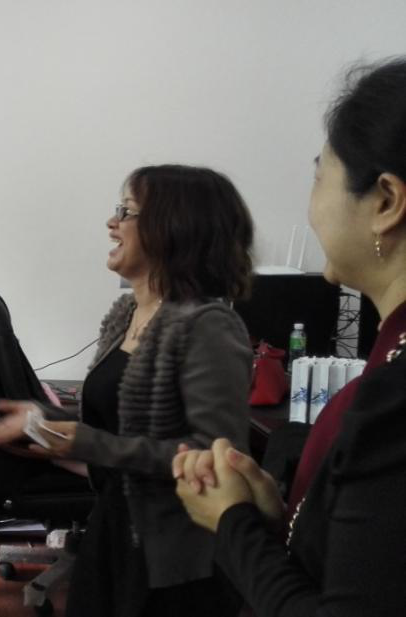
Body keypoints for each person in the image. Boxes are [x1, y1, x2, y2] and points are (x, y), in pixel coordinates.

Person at [174, 58, 406, 617]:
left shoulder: (394, 402)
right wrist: (285, 516)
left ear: (385, 202)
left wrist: (232, 522)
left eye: (319, 176)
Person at [0, 165, 254, 617]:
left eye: (126, 211)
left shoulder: (208, 326)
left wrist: (84, 441)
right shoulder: (127, 313)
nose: (112, 223)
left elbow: (212, 456)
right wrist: (42, 424)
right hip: (115, 526)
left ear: (172, 227)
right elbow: (114, 429)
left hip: (173, 559)